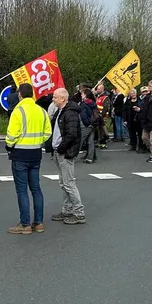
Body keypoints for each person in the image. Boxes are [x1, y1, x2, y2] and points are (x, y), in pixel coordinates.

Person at [5, 83, 51, 235]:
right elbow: (48, 132)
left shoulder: (18, 111)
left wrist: (9, 146)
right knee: (36, 188)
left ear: (20, 95)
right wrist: (38, 141)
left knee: (22, 190)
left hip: (20, 153)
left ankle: (25, 224)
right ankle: (38, 223)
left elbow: (12, 134)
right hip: (35, 152)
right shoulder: (41, 110)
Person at [48, 87, 85, 224]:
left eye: (55, 97)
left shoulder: (70, 113)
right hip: (59, 150)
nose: (53, 99)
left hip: (65, 152)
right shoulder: (61, 111)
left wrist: (62, 148)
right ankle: (67, 210)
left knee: (69, 183)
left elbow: (71, 134)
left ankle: (79, 213)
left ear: (63, 98)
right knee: (63, 183)